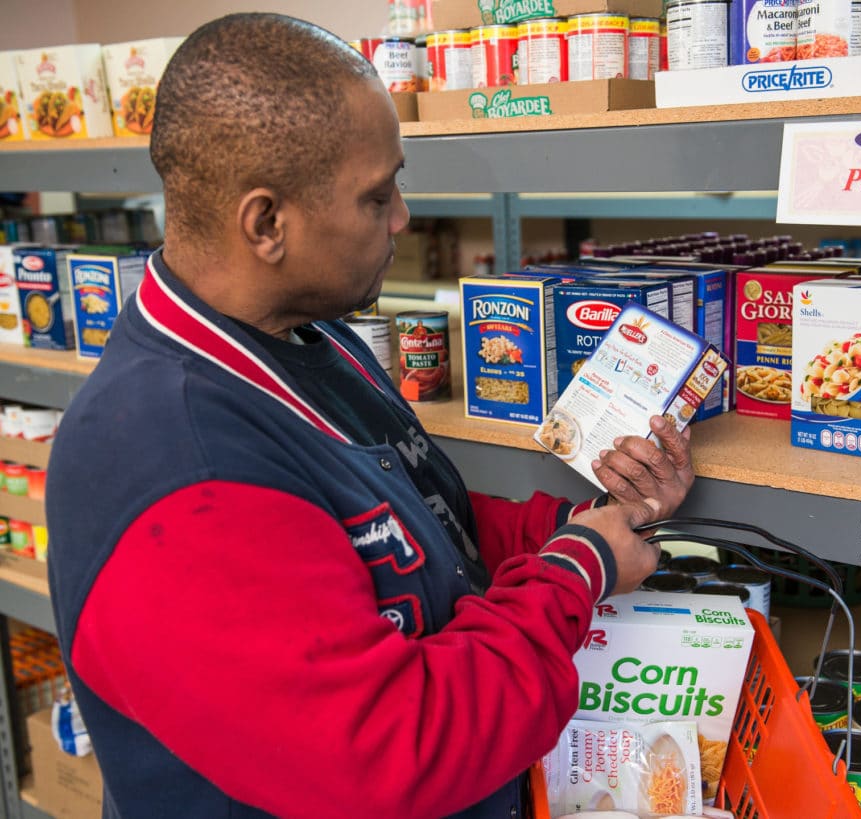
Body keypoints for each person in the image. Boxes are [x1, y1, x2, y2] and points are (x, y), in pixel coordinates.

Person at [45, 13, 696, 819]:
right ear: (266, 224)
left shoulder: (306, 338)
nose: (402, 218)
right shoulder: (176, 466)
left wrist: (586, 522)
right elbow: (394, 753)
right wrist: (574, 571)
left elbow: (418, 529)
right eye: (376, 195)